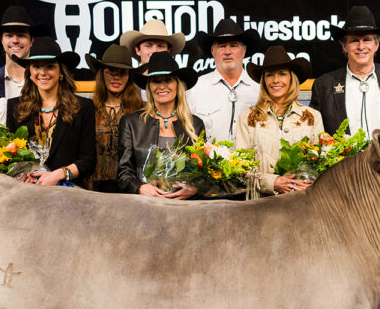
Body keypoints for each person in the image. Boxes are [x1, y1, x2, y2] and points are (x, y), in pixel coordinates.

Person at [5, 37, 95, 187]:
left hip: (69, 192)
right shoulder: (15, 107)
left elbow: (88, 161)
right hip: (28, 192)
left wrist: (59, 175)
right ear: (30, 72)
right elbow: (10, 156)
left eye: (50, 66)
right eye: (36, 66)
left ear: (61, 71)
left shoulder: (83, 107)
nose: (42, 72)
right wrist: (22, 176)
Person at [234, 45, 322, 196]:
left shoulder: (312, 116)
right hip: (261, 203)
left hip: (302, 201)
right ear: (264, 80)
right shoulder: (248, 117)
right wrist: (272, 182)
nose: (275, 80)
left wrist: (306, 181)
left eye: (282, 74)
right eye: (269, 75)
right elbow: (240, 169)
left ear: (291, 78)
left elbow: (321, 163)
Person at [116, 51, 205, 198]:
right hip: (144, 204)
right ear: (149, 86)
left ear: (177, 84)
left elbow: (203, 172)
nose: (162, 86)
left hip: (184, 205)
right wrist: (140, 188)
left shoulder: (195, 124)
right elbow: (124, 173)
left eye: (168, 80)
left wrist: (194, 188)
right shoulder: (131, 122)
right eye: (156, 81)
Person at [309, 5, 380, 135]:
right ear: (344, 46)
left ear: (376, 45)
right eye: (354, 40)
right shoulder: (323, 86)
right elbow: (314, 134)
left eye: (367, 40)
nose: (361, 46)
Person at [187, 19, 260, 141]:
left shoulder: (259, 89)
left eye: (233, 45)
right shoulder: (196, 89)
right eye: (222, 46)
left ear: (244, 51)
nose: (227, 52)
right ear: (213, 51)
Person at [83, 44, 143, 192]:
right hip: (92, 190)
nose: (116, 77)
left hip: (130, 189)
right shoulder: (88, 109)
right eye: (111, 71)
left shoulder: (142, 110)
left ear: (129, 76)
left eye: (122, 72)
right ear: (102, 74)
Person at [0, 5, 48, 99]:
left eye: (21, 35)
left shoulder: (45, 79)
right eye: (9, 35)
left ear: (32, 40)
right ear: (1, 40)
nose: (15, 41)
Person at [118, 18, 185, 67]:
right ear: (138, 50)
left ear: (168, 52)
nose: (154, 51)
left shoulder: (177, 81)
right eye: (148, 46)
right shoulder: (129, 81)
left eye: (160, 46)